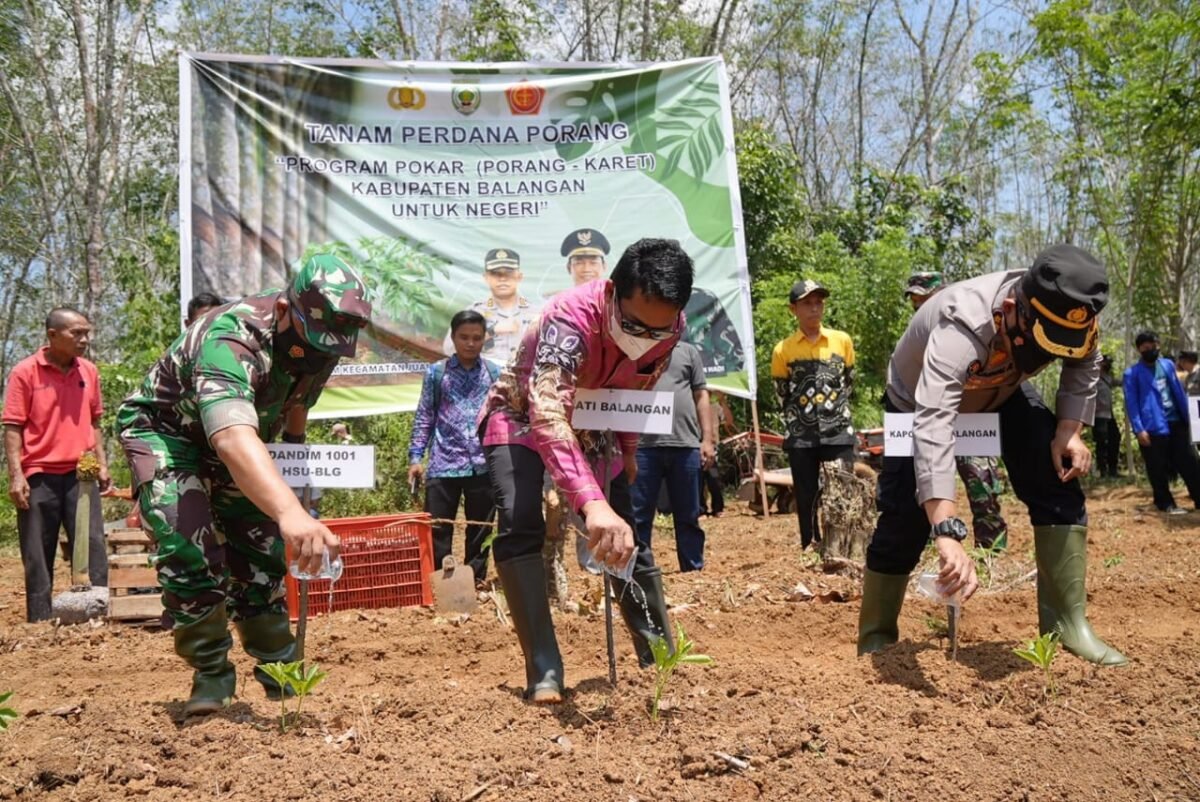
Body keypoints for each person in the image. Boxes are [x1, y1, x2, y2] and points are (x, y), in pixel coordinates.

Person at [116, 254, 371, 716]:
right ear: (282, 311)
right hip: (170, 435)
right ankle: (212, 674)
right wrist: (290, 512)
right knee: (187, 545)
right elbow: (231, 435)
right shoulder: (230, 338)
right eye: (313, 344)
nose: (320, 355)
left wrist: (295, 462)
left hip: (244, 439)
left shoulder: (320, 342)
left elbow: (296, 402)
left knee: (261, 550)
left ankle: (279, 669)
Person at [858, 244, 1127, 666]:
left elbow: (1086, 361)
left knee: (1055, 477)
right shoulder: (960, 326)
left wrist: (1068, 432)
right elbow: (934, 424)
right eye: (1044, 343)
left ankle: (1068, 627)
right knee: (906, 516)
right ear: (1011, 308)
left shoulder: (1072, 313)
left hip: (1002, 390)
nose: (1050, 354)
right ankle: (877, 634)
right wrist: (945, 528)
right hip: (917, 404)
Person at [479, 237, 693, 703]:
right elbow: (546, 409)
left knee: (623, 529)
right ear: (614, 291)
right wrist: (589, 500)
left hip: (597, 417)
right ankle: (545, 668)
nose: (645, 337)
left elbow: (638, 388)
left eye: (657, 331)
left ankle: (659, 655)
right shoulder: (569, 317)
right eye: (635, 324)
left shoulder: (672, 327)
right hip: (521, 414)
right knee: (519, 521)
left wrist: (629, 449)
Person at [3, 308, 111, 622]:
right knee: (38, 550)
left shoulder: (88, 371)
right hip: (38, 474)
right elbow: (12, 426)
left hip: (82, 472)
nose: (84, 340)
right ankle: (40, 620)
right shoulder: (25, 372)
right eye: (76, 333)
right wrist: (16, 475)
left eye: (87, 333)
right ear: (52, 335)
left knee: (92, 546)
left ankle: (97, 614)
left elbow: (95, 421)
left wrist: (102, 464)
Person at [906, 272, 1010, 550]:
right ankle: (932, 550)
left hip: (971, 417)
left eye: (924, 298)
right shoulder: (916, 330)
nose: (919, 304)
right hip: (931, 424)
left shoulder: (967, 321)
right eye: (915, 300)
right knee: (923, 487)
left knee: (983, 487)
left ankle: (990, 554)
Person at [410, 310, 501, 585]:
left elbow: (501, 418)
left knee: (480, 528)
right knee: (438, 528)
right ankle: (442, 584)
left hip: (482, 464)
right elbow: (425, 416)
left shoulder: (494, 373)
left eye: (476, 337)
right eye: (464, 337)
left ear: (484, 339)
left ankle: (476, 581)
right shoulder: (437, 373)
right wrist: (416, 457)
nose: (470, 343)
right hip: (443, 462)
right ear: (453, 337)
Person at [771, 279, 855, 550]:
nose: (814, 308)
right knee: (806, 494)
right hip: (801, 435)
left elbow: (848, 382)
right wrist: (800, 419)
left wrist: (834, 413)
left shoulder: (842, 341)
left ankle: (841, 546)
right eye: (807, 303)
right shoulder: (783, 349)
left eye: (818, 302)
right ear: (792, 309)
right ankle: (810, 543)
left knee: (841, 491)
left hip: (838, 431)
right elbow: (782, 393)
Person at [630, 341, 715, 572]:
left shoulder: (687, 351)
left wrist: (707, 440)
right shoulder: (634, 348)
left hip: (685, 444)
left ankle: (693, 568)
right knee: (639, 516)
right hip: (642, 446)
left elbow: (700, 394)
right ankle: (639, 570)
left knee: (689, 514)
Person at [1123, 331, 1200, 514]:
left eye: (1154, 345)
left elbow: (1179, 393)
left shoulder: (1167, 365)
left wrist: (1189, 418)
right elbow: (1131, 403)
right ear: (1140, 349)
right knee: (1157, 467)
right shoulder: (1132, 374)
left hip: (1177, 422)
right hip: (1152, 427)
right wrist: (1138, 429)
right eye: (1146, 347)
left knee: (1190, 462)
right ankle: (1165, 503)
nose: (1151, 349)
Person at [443, 249, 538, 367]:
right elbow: (449, 348)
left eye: (508, 272)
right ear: (486, 278)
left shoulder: (537, 314)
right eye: (495, 273)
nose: (502, 278)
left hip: (524, 378)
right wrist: (490, 331)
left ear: (519, 277)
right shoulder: (475, 312)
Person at [699, 392, 735, 517]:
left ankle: (718, 508)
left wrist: (722, 400)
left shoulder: (715, 406)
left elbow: (729, 421)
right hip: (695, 444)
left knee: (713, 477)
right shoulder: (693, 404)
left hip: (713, 448)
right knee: (698, 479)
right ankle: (701, 509)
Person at [1093, 356, 1122, 478]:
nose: (1108, 365)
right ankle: (1103, 471)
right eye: (1105, 363)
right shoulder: (1092, 378)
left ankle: (1113, 470)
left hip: (1109, 416)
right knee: (1101, 443)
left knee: (1115, 439)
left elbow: (1119, 382)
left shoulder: (1107, 378)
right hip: (1098, 416)